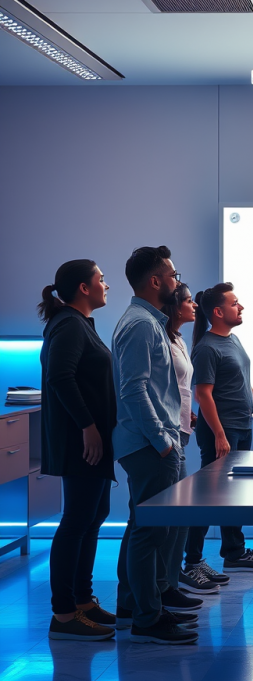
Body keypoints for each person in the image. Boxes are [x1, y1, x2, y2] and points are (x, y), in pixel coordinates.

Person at [112, 246, 199, 645]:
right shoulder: (142, 325)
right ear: (155, 281)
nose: (178, 281)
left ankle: (136, 604)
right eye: (173, 274)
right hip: (150, 445)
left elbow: (157, 388)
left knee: (142, 528)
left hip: (151, 443)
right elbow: (134, 390)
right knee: (150, 532)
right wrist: (163, 441)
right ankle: (147, 617)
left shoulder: (147, 321)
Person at [39, 260, 116, 641]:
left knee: (94, 514)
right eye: (101, 279)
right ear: (84, 288)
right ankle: (65, 614)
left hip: (93, 439)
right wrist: (88, 426)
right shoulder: (69, 324)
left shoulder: (81, 323)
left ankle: (83, 602)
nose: (106, 284)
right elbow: (59, 376)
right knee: (77, 520)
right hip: (81, 441)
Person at [184, 283, 253, 574]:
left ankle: (234, 552)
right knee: (209, 496)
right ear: (218, 312)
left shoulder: (233, 340)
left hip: (241, 426)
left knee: (233, 495)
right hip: (223, 430)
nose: (240, 307)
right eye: (235, 303)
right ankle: (192, 559)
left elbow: (238, 373)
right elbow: (203, 394)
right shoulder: (206, 347)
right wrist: (218, 434)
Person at [162, 283, 225, 595]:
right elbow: (143, 390)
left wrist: (188, 415)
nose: (194, 305)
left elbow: (179, 390)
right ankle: (169, 582)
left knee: (183, 513)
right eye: (188, 301)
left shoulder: (179, 340)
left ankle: (174, 580)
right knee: (164, 519)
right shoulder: (163, 337)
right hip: (166, 439)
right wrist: (162, 439)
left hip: (181, 431)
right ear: (175, 307)